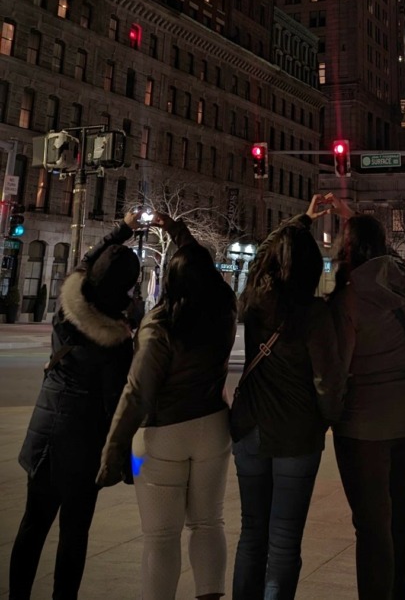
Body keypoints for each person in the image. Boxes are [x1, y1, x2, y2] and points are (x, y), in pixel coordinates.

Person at [97, 212, 237, 600]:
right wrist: (176, 229)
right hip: (213, 430)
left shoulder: (159, 323)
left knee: (160, 537)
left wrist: (113, 449)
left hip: (159, 439)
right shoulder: (224, 310)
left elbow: (137, 392)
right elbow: (198, 262)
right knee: (209, 523)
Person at [9, 208, 143, 600]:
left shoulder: (67, 309)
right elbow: (119, 406)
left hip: (45, 440)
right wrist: (131, 465)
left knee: (32, 524)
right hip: (82, 451)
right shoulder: (116, 342)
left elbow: (85, 261)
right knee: (74, 533)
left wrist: (122, 230)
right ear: (126, 289)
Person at [230, 194, 345, 600]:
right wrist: (328, 418)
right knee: (283, 543)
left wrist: (298, 222)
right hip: (296, 435)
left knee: (251, 534)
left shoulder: (254, 303)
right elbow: (328, 383)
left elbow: (264, 253)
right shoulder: (314, 314)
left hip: (249, 430)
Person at [325, 195, 405, 600]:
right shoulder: (403, 276)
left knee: (371, 524)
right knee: (397, 516)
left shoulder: (348, 298)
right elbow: (386, 250)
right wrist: (356, 219)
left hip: (366, 425)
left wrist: (326, 412)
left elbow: (337, 369)